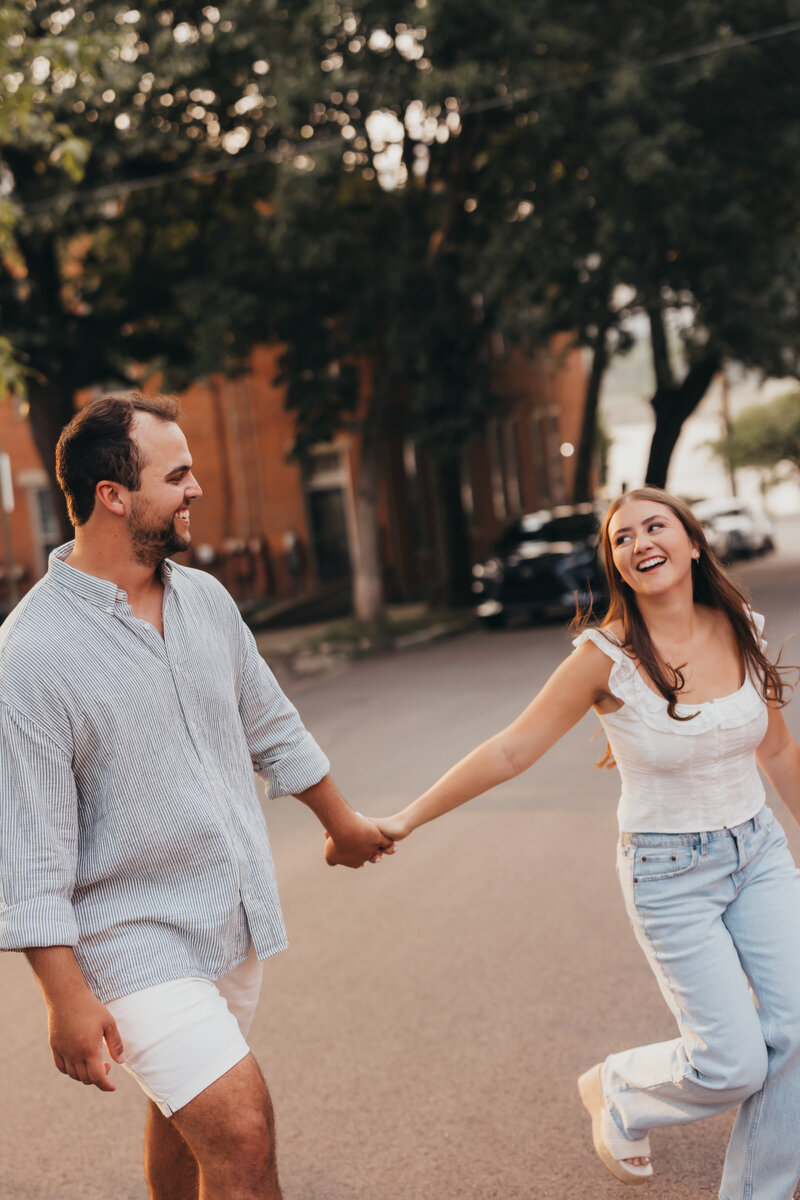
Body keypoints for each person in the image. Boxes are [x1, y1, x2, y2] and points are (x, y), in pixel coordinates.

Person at [0, 391, 393, 1200]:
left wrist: (343, 823)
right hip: (128, 936)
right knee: (241, 1130)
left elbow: (272, 727)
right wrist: (64, 999)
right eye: (177, 474)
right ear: (115, 495)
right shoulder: (29, 655)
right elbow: (27, 849)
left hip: (229, 915)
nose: (196, 489)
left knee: (190, 1119)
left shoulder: (205, 601)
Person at [366, 487, 800, 1200]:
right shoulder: (607, 658)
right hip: (670, 873)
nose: (638, 542)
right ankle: (623, 1088)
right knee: (734, 1064)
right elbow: (511, 750)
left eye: (655, 526)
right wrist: (408, 818)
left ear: (693, 543)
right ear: (618, 566)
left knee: (797, 1031)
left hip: (758, 854)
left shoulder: (740, 628)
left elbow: (779, 752)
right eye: (621, 539)